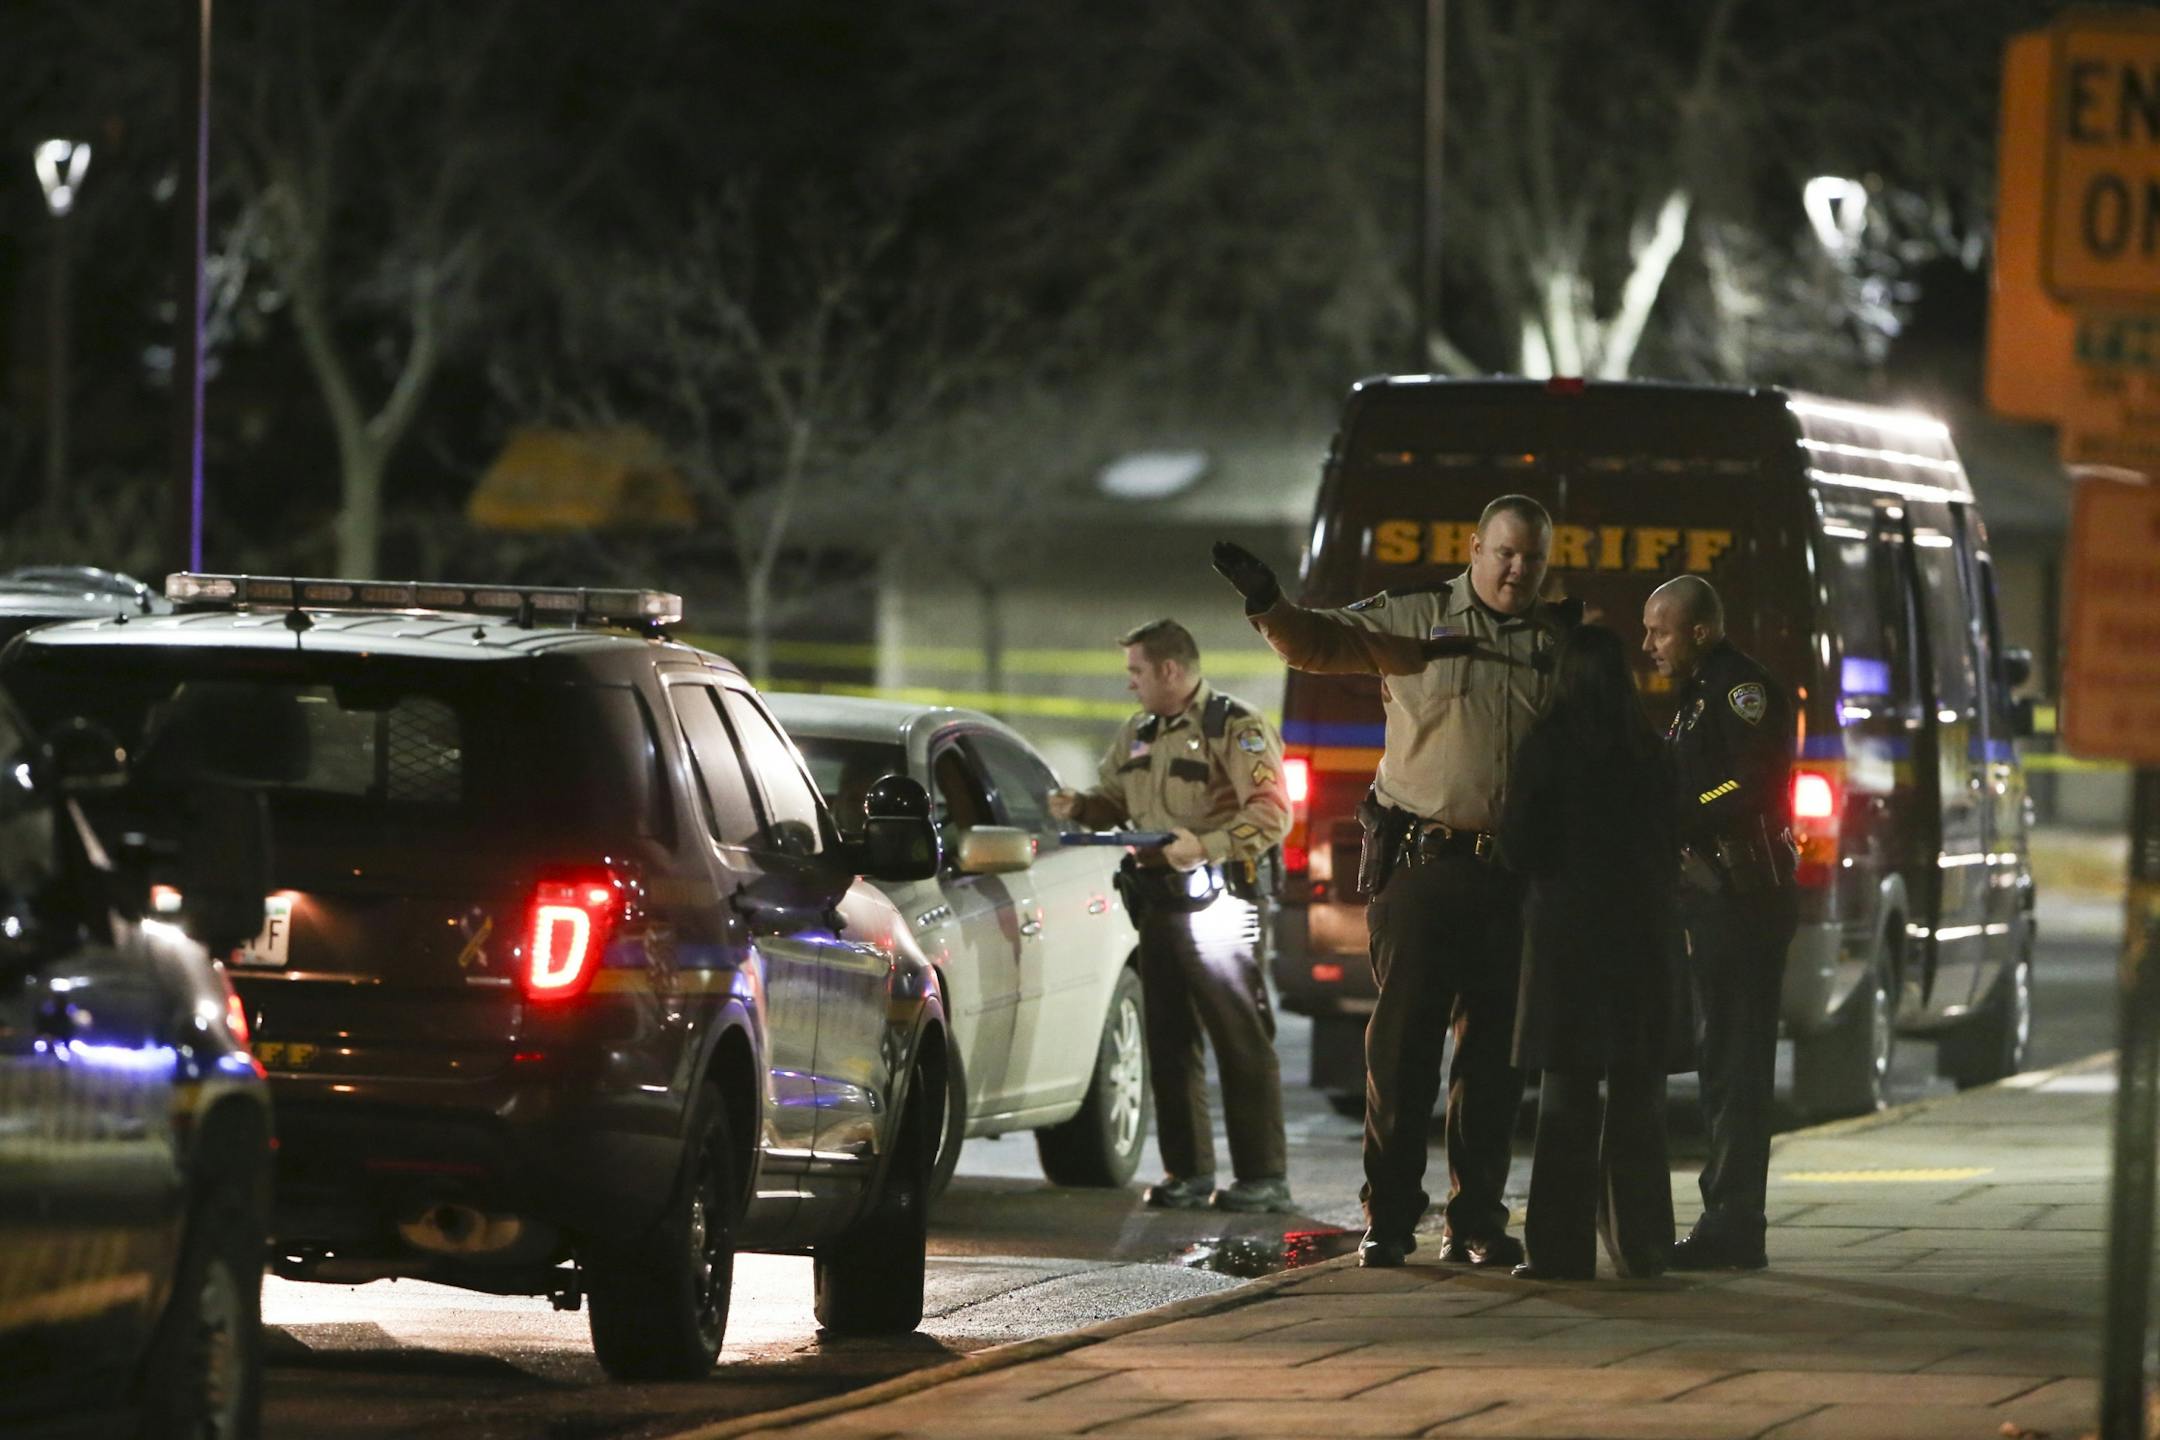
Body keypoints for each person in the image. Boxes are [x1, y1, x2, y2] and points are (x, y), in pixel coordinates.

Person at [1213, 495, 1572, 1269]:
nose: (1517, 569)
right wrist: (1269, 604)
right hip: (1425, 869)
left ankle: (1476, 1220)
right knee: (1403, 1056)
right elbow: (1319, 642)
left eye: (1533, 558)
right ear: (1475, 547)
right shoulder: (1415, 617)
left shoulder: (1559, 640)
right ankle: (1392, 1218)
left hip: (1514, 880)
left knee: (1497, 1065)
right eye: (1505, 552)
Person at [1048, 618, 1296, 1213]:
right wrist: (1079, 806)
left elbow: (1271, 814)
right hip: (1158, 901)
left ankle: (1263, 1178)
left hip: (1221, 901)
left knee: (1239, 1037)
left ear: (1169, 670)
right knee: (1168, 1039)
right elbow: (1116, 800)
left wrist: (1204, 846)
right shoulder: (1138, 732)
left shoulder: (1233, 727)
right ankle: (1187, 1172)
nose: (1130, 684)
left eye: (1137, 671)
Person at [1496, 624, 1680, 1281]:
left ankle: (1559, 1250)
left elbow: (1519, 844)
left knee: (1567, 1097)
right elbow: (1672, 837)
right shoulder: (1649, 748)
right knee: (1637, 1096)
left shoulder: (1545, 747)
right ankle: (1645, 1244)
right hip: (1639, 939)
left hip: (1568, 941)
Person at [1641, 574, 1797, 1270]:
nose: (1648, 644)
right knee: (1719, 1059)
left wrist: (1680, 812)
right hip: (1714, 897)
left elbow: (1751, 779)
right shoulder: (1699, 693)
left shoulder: (1740, 689)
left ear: (1699, 630)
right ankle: (1726, 1215)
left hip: (1743, 897)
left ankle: (1734, 1225)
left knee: (1735, 1063)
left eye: (1659, 630)